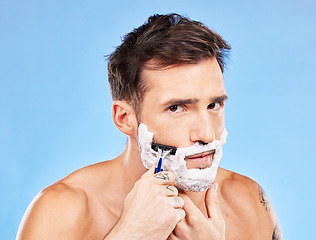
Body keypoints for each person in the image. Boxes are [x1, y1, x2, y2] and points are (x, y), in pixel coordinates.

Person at [17, 13, 282, 240]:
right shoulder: (63, 213)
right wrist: (129, 233)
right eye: (176, 108)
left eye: (214, 105)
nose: (206, 134)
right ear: (125, 118)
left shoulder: (247, 200)